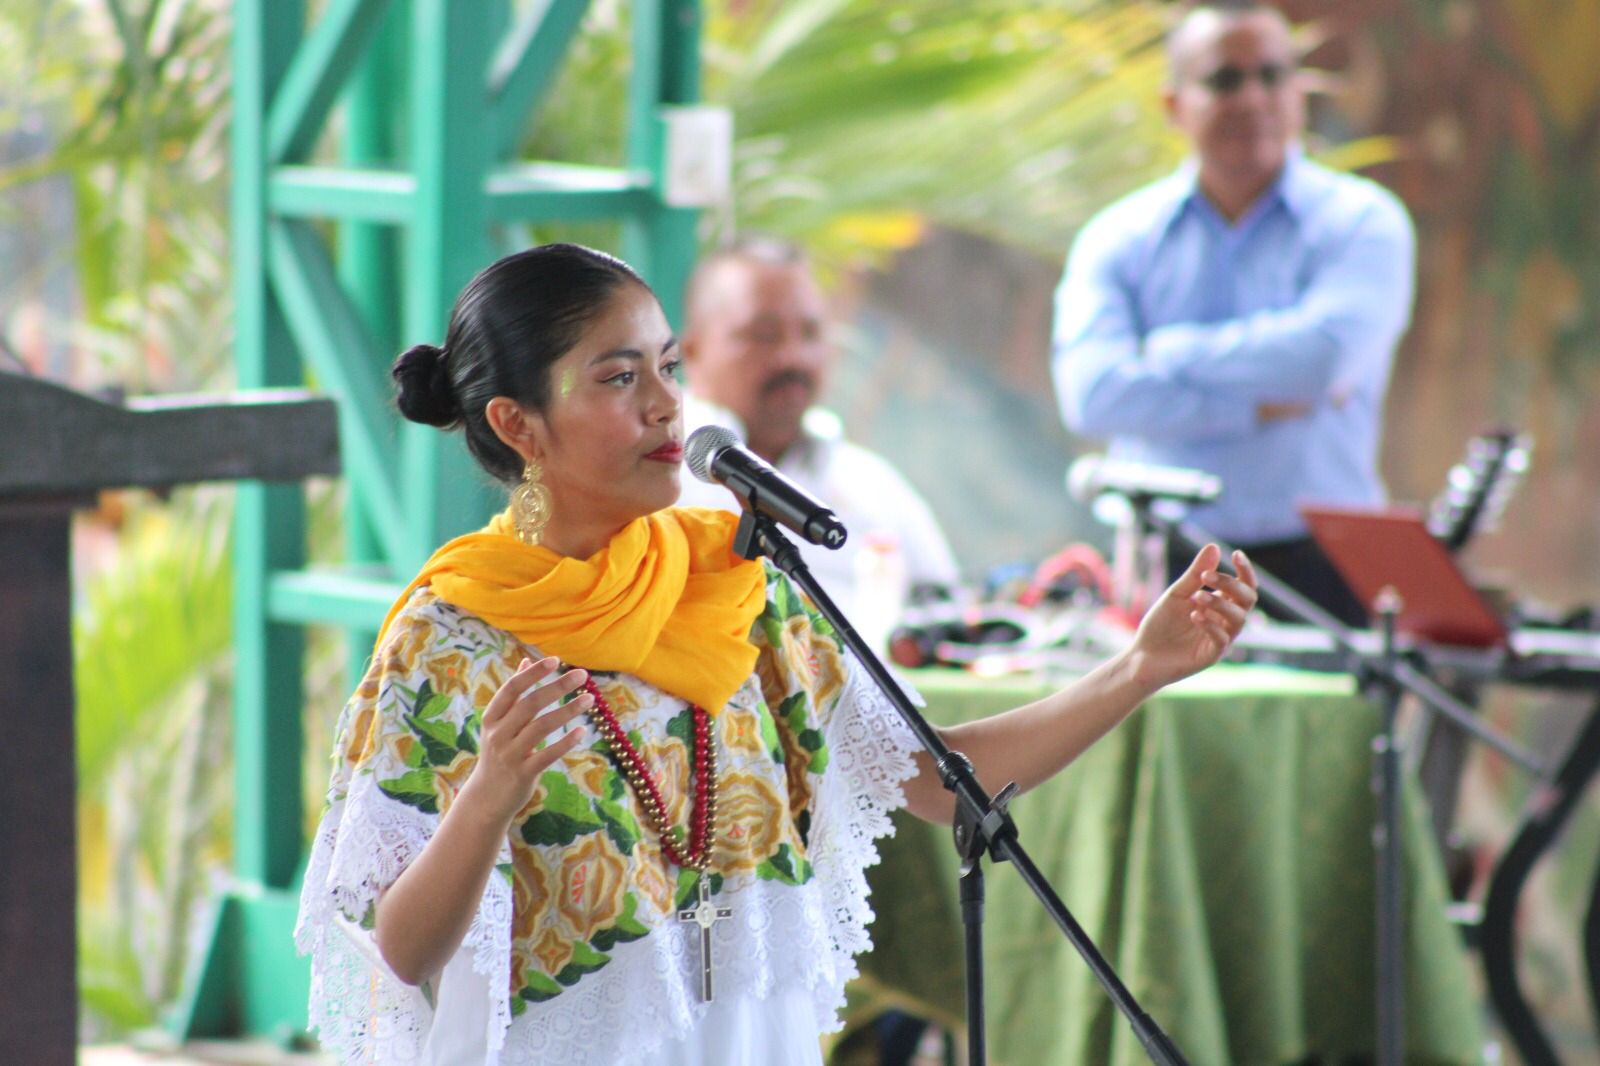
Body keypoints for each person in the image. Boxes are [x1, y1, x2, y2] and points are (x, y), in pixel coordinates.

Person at [294, 242, 1260, 1065]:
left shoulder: (738, 585)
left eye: (670, 367)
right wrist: (487, 799)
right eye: (620, 378)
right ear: (517, 423)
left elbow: (938, 779)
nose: (667, 406)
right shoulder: (451, 641)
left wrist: (1137, 670)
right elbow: (401, 952)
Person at [1050, 0, 1415, 627]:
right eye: (1224, 79)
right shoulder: (1116, 239)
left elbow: (1322, 361)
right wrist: (1256, 405)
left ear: (1299, 91)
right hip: (1167, 567)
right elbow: (1094, 394)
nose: (1252, 98)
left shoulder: (1363, 223)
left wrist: (1168, 353)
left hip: (1327, 569)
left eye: (1272, 75)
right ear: (1174, 104)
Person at [675, 237, 959, 608]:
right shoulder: (654, 482)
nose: (793, 356)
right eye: (764, 336)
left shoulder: (876, 487)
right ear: (693, 352)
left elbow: (954, 617)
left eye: (810, 333)